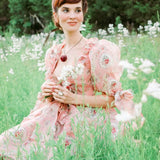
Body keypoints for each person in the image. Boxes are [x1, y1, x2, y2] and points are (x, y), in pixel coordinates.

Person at [0, 0, 145, 159]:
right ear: (56, 15)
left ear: (83, 14)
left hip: (84, 120)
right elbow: (48, 95)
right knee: (7, 145)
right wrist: (47, 90)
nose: (73, 16)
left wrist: (74, 98)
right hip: (51, 117)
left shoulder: (96, 51)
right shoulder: (53, 53)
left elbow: (112, 99)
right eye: (66, 10)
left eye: (77, 10)